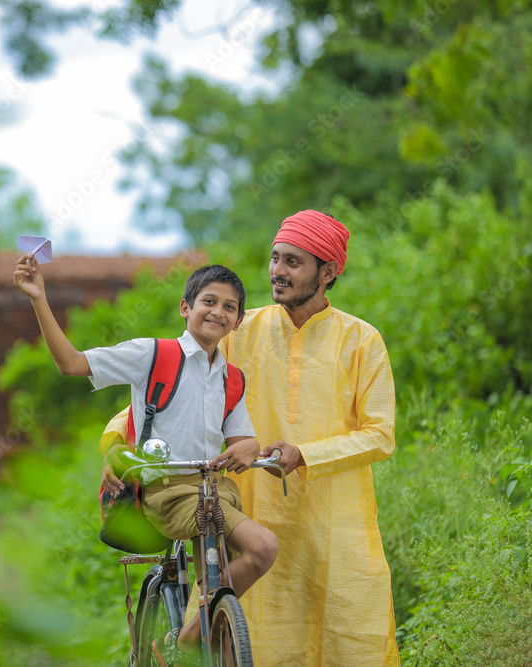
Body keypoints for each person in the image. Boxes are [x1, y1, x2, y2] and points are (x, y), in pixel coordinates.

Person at [103, 209, 400, 665]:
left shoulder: (361, 341)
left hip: (335, 528)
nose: (278, 271)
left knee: (347, 637)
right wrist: (114, 445)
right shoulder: (241, 331)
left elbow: (380, 435)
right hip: (247, 508)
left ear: (329, 272)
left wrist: (305, 454)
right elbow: (165, 393)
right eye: (275, 258)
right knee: (243, 636)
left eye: (293, 262)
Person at [13, 255, 279, 653]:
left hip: (213, 490)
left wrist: (249, 447)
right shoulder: (153, 355)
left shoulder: (231, 378)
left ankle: (206, 631)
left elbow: (241, 439)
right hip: (166, 490)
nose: (218, 312)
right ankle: (184, 643)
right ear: (185, 307)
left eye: (229, 307)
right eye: (209, 301)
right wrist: (38, 298)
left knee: (223, 579)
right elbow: (71, 363)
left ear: (238, 321)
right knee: (263, 547)